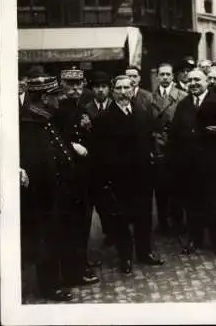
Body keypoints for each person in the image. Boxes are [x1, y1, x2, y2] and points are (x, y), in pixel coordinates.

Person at [91, 75, 164, 274]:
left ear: (133, 89)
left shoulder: (142, 112)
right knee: (121, 219)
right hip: (119, 179)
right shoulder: (104, 119)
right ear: (113, 91)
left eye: (127, 88)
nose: (123, 92)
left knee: (144, 216)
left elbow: (149, 141)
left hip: (142, 177)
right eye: (119, 88)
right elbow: (101, 153)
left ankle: (144, 252)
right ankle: (125, 257)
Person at [20, 72, 78, 301]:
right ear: (44, 97)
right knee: (48, 240)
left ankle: (55, 281)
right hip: (44, 197)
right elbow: (38, 165)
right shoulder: (30, 124)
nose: (59, 98)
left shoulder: (44, 118)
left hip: (56, 192)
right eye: (56, 95)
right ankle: (49, 287)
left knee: (56, 238)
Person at [169, 69, 216, 257]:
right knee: (193, 205)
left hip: (214, 164)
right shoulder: (183, 105)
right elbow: (174, 133)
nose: (193, 83)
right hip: (190, 166)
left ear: (207, 81)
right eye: (190, 80)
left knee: (215, 204)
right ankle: (195, 240)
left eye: (198, 79)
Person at [54, 68, 100, 286]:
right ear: (62, 84)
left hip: (83, 173)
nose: (74, 88)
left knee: (83, 220)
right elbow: (55, 138)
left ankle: (80, 262)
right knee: (71, 223)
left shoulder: (81, 106)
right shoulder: (56, 108)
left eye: (78, 84)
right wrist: (73, 146)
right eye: (70, 84)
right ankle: (74, 270)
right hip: (67, 174)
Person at [151, 63, 188, 236]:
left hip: (176, 146)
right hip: (158, 147)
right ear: (157, 76)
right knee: (160, 187)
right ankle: (163, 222)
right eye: (162, 74)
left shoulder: (182, 96)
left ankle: (178, 221)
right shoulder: (150, 98)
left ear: (173, 76)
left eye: (168, 74)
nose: (165, 77)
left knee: (178, 186)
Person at [83, 71, 114, 247]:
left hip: (113, 161)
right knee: (98, 201)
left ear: (109, 88)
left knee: (113, 202)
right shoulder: (86, 109)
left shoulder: (115, 106)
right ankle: (105, 231)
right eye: (97, 87)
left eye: (104, 87)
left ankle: (113, 232)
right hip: (94, 163)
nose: (101, 90)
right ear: (92, 89)